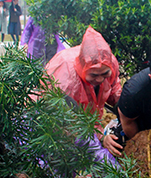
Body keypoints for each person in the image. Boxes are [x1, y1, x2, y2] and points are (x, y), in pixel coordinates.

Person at [45, 26, 122, 156]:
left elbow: (114, 88)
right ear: (82, 69)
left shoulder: (109, 62)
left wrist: (125, 108)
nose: (99, 79)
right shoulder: (67, 82)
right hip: (54, 119)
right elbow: (73, 122)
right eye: (93, 75)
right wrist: (101, 138)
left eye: (104, 73)